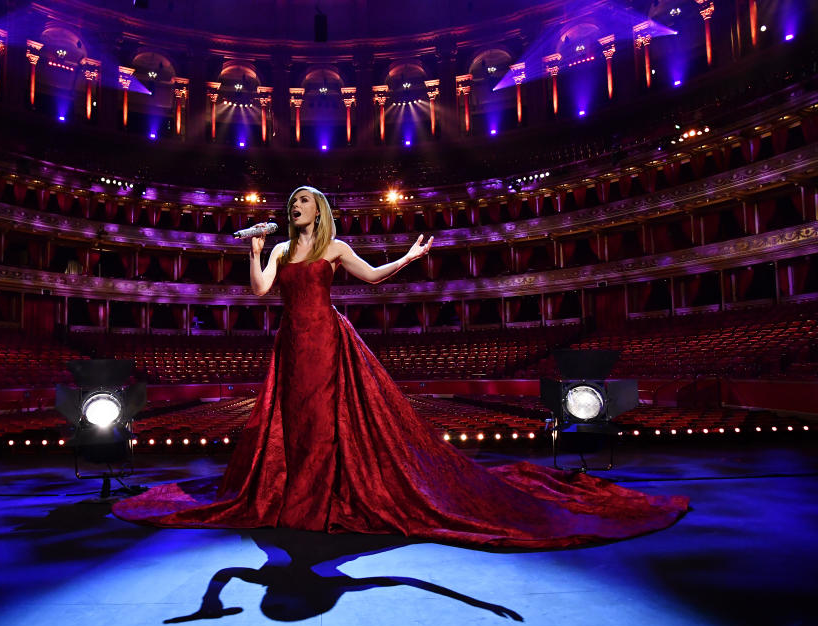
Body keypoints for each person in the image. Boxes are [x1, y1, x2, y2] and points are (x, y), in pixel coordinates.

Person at [113, 186, 688, 549]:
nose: (295, 208)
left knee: (327, 422)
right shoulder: (282, 250)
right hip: (292, 343)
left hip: (328, 342)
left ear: (320, 211)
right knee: (296, 424)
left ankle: (322, 503)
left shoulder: (332, 249)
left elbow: (370, 277)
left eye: (303, 202)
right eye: (291, 204)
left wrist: (409, 258)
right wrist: (254, 251)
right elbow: (263, 292)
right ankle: (296, 499)